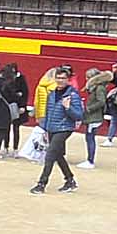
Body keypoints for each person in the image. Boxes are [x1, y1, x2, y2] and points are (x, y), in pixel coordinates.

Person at [29, 66, 85, 195]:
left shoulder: (73, 95)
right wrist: (46, 129)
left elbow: (79, 115)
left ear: (68, 80)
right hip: (52, 128)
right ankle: (70, 180)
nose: (60, 80)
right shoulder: (52, 94)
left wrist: (68, 108)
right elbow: (48, 112)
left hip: (64, 128)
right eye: (58, 78)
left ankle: (42, 183)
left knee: (50, 155)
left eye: (63, 78)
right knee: (58, 155)